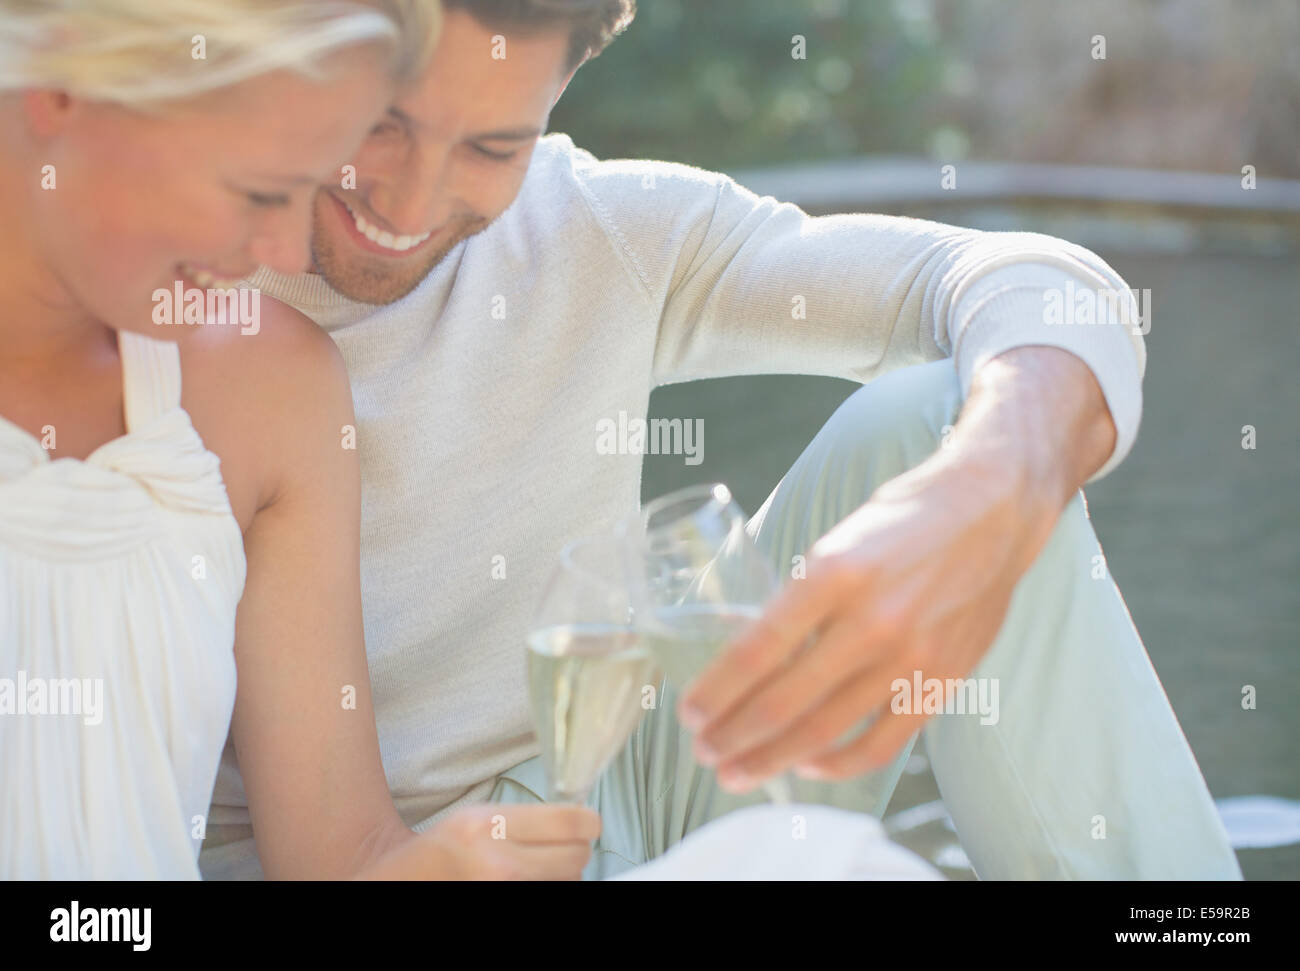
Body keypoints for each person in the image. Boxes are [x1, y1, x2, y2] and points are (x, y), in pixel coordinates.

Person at [200, 0, 1241, 879]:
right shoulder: (157, 264)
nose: (411, 198)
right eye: (383, 121)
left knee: (935, 420)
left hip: (613, 788)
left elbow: (1032, 285)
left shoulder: (599, 233)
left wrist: (988, 492)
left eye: (491, 145)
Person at [0, 0, 598, 880]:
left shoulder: (268, 380)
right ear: (64, 88)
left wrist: (442, 870)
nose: (283, 248)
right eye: (256, 190)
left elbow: (337, 857)